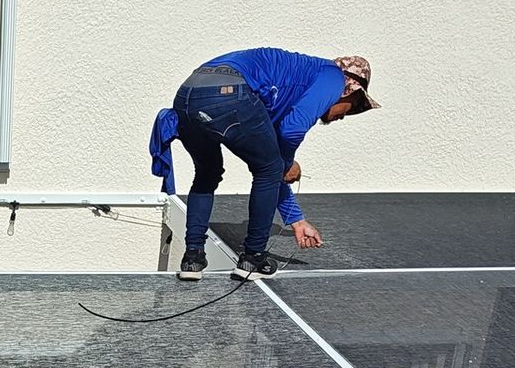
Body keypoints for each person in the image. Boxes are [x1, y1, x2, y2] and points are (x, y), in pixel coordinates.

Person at [149, 49, 379, 280]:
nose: (344, 116)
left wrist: (296, 220)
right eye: (353, 107)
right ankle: (253, 259)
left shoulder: (285, 88)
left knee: (208, 173)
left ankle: (192, 259)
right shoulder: (333, 77)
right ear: (350, 90)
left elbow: (273, 162)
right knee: (269, 169)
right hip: (231, 91)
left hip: (187, 95)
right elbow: (291, 133)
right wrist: (287, 163)